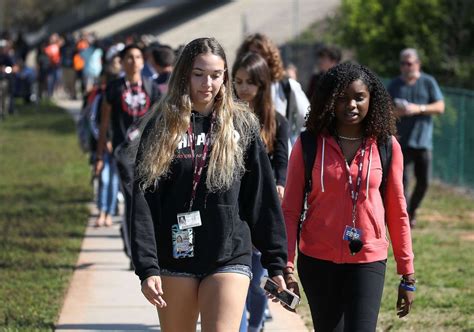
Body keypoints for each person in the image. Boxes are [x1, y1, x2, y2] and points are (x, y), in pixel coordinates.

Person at [130, 37, 288, 331]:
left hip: (228, 252)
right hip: (175, 254)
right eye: (199, 74)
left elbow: (261, 198)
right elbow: (143, 201)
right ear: (184, 75)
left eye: (216, 75)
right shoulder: (161, 126)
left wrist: (277, 262)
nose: (208, 83)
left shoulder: (242, 123)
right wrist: (147, 267)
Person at [283, 62, 416, 331]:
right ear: (329, 101)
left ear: (371, 99)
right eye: (341, 98)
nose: (351, 105)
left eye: (359, 97)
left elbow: (397, 211)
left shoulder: (386, 146)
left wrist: (407, 273)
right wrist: (286, 265)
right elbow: (290, 209)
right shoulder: (309, 144)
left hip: (368, 259)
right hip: (317, 259)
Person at [232, 52, 290, 332]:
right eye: (238, 81)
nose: (243, 88)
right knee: (236, 284)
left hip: (263, 208)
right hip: (235, 210)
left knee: (258, 282)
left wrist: (279, 183)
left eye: (250, 82)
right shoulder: (225, 119)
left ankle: (255, 325)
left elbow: (282, 162)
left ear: (263, 85)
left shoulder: (276, 121)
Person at [95, 44, 160, 265]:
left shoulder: (152, 88)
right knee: (133, 201)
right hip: (124, 153)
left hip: (148, 153)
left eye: (138, 57)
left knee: (150, 202)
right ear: (122, 62)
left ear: (144, 61)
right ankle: (135, 252)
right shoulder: (113, 89)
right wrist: (100, 154)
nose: (134, 61)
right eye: (129, 58)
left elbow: (160, 123)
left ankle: (142, 247)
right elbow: (104, 123)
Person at [388, 48, 445, 228]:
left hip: (422, 142)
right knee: (401, 182)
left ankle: (412, 211)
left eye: (409, 63)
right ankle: (403, 217)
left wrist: (418, 108)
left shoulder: (428, 82)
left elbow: (440, 106)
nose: (406, 66)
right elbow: (385, 111)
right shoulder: (394, 85)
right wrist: (399, 111)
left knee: (424, 181)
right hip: (401, 142)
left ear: (418, 64)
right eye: (403, 63)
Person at [236, 33, 309, 144]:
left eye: (262, 55)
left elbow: (306, 118)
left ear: (270, 57)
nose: (257, 59)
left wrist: (297, 145)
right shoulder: (238, 87)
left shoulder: (286, 86)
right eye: (252, 54)